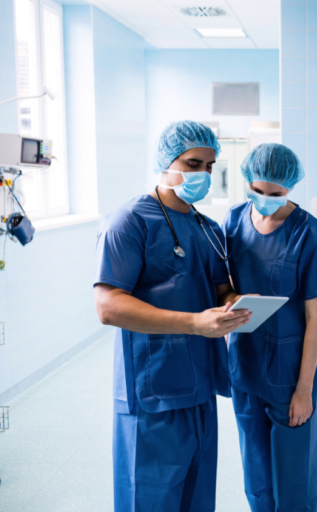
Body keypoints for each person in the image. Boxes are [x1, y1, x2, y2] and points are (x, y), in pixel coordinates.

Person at [94, 120, 250, 512]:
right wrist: (195, 323)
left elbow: (218, 287)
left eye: (210, 166)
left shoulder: (207, 228)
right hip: (152, 393)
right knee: (149, 499)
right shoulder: (129, 222)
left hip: (199, 388)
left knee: (196, 498)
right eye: (193, 163)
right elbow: (108, 305)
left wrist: (234, 301)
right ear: (165, 161)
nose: (203, 175)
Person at [223, 143, 317, 512]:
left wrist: (304, 389)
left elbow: (315, 316)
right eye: (257, 191)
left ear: (290, 188)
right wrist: (231, 300)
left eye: (275, 194)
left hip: (289, 372)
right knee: (256, 474)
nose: (264, 199)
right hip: (245, 364)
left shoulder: (308, 232)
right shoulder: (234, 221)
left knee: (293, 482)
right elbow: (222, 284)